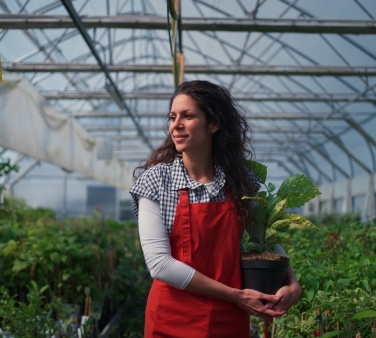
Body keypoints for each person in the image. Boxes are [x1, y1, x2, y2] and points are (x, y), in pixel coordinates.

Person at [129, 80, 301, 337]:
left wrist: (292, 282)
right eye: (172, 117)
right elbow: (159, 264)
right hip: (172, 319)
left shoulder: (241, 180)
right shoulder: (157, 181)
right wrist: (237, 295)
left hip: (228, 319)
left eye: (188, 116)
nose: (176, 125)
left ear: (214, 124)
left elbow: (262, 238)